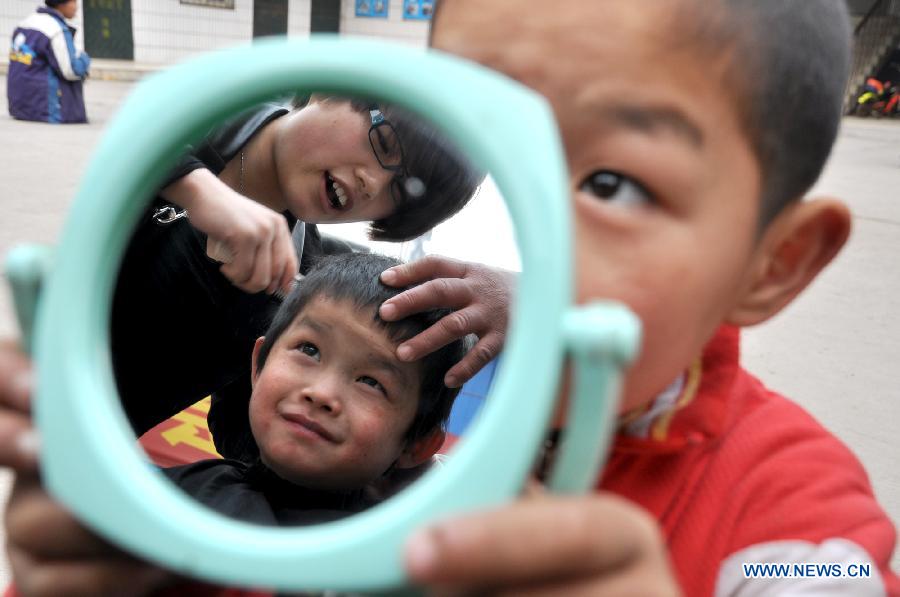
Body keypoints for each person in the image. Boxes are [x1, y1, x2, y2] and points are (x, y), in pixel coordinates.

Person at [2, 0, 897, 595]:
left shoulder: (787, 521)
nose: (539, 234)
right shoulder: (307, 468)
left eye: (614, 182)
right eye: (492, 136)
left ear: (772, 263)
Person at [110, 95, 487, 463]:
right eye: (385, 144)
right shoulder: (197, 113)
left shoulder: (294, 285)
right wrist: (194, 187)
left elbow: (238, 433)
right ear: (329, 90)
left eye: (400, 191)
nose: (372, 183)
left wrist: (368, 466)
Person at [154, 252, 467, 527]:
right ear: (258, 365)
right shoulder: (165, 503)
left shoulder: (416, 554)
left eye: (371, 383)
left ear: (417, 445)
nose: (321, 393)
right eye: (309, 350)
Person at [7, 0, 90, 124]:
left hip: (19, 107)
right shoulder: (55, 29)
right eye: (74, 2)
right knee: (78, 65)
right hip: (45, 110)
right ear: (62, 4)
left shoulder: (25, 23)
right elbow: (71, 71)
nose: (76, 7)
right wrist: (85, 60)